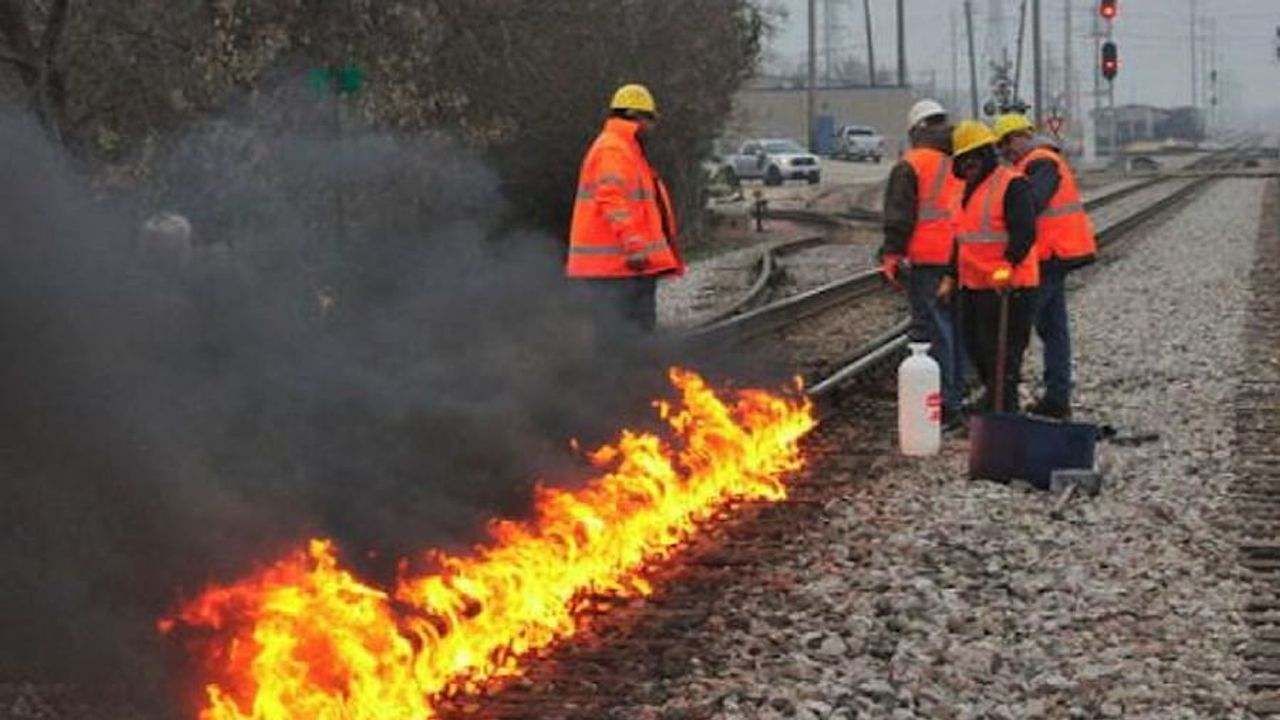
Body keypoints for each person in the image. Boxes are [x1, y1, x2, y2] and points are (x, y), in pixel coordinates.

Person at [993, 114, 1097, 419]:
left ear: (1018, 137)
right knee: (1053, 329)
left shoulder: (1040, 162)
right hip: (1056, 254)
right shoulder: (1038, 161)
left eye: (1005, 144)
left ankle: (1002, 397)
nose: (1005, 153)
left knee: (1019, 327)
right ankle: (1056, 397)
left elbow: (1031, 203)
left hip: (1050, 255)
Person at [566, 83, 683, 335]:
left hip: (621, 268)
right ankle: (627, 375)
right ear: (635, 117)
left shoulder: (625, 149)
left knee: (627, 340)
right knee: (625, 340)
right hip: (617, 267)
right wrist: (634, 245)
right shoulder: (614, 149)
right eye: (650, 119)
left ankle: (631, 374)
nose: (653, 127)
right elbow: (612, 199)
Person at [878, 99, 965, 429]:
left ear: (915, 130)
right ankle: (954, 396)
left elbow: (900, 217)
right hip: (958, 258)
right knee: (954, 330)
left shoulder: (910, 165)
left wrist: (891, 255)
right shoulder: (956, 160)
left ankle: (944, 404)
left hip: (928, 259)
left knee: (934, 332)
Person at [946, 121, 1040, 414]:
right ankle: (994, 399)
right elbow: (961, 238)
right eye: (963, 160)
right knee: (977, 348)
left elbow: (1024, 231)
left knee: (1004, 353)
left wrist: (1007, 265)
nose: (969, 165)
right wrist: (951, 274)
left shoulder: (1012, 184)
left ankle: (1005, 409)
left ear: (986, 155)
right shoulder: (965, 192)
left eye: (974, 157)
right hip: (974, 285)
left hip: (1010, 286)